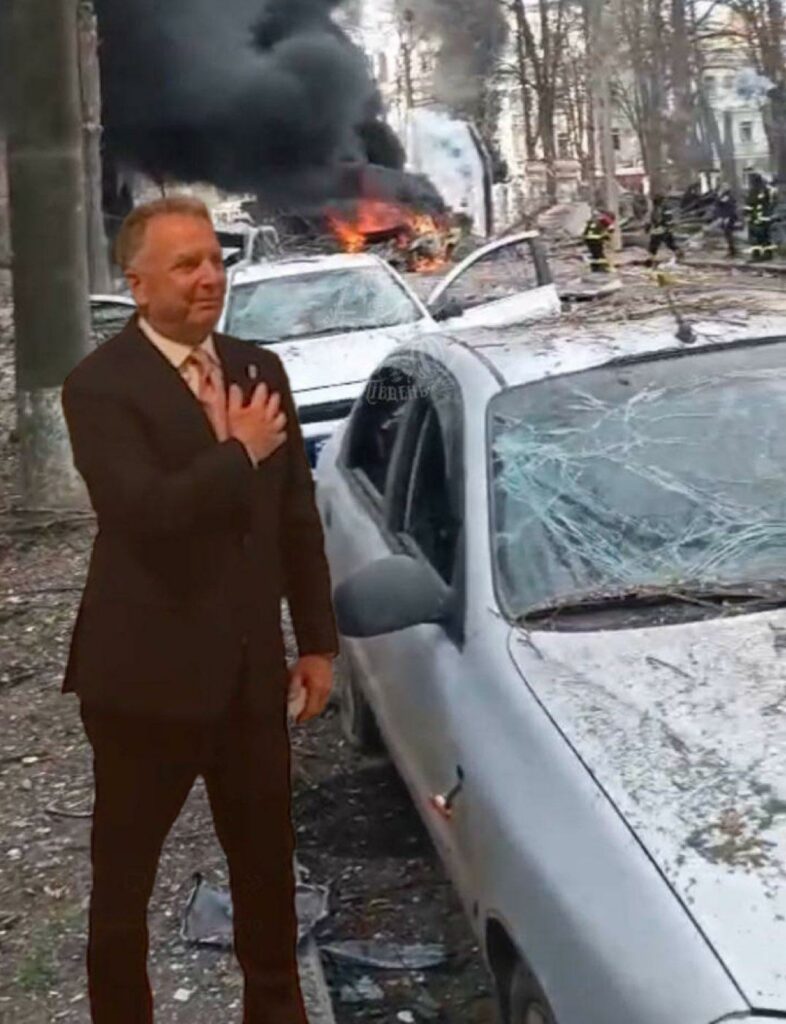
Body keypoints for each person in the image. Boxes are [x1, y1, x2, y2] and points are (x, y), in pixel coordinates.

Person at [60, 196, 339, 1024]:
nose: (209, 276)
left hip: (250, 681)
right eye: (186, 264)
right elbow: (142, 514)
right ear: (138, 284)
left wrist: (316, 642)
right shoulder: (99, 387)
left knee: (267, 878)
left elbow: (296, 518)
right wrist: (238, 452)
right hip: (142, 686)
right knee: (123, 889)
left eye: (216, 259)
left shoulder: (259, 371)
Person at [745, 172, 776, 261]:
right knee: (765, 237)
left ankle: (757, 255)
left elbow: (751, 203)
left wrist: (747, 213)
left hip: (756, 218)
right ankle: (767, 254)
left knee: (757, 237)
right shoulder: (765, 189)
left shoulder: (755, 190)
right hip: (764, 217)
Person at [645, 194, 682, 267]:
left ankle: (651, 260)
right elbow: (669, 219)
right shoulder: (664, 208)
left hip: (659, 230)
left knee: (653, 245)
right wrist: (669, 227)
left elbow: (652, 220)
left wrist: (648, 228)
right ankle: (679, 254)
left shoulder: (656, 209)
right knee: (670, 244)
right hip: (664, 229)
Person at [714, 186, 739, 258]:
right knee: (727, 234)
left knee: (728, 234)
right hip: (723, 218)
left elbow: (731, 209)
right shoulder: (721, 198)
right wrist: (719, 217)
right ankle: (731, 250)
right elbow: (718, 206)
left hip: (728, 219)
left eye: (721, 190)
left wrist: (727, 217)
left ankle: (732, 250)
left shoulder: (729, 199)